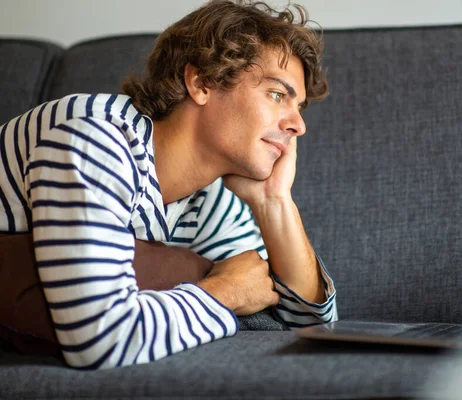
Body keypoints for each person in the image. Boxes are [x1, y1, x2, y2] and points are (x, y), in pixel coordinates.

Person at [0, 0, 337, 369]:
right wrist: (225, 291)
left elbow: (314, 329)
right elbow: (101, 340)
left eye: (299, 107)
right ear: (202, 82)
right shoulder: (94, 141)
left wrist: (275, 200)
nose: (298, 125)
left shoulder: (210, 198)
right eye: (277, 94)